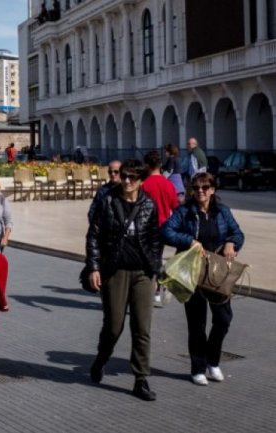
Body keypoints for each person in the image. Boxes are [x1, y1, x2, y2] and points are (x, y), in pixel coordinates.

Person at [85, 159, 161, 401]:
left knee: (142, 327)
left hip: (142, 273)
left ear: (141, 181)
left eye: (132, 178)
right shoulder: (108, 201)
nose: (126, 181)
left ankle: (141, 379)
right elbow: (94, 235)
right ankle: (101, 359)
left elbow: (154, 241)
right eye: (124, 176)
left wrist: (156, 270)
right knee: (114, 326)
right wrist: (94, 267)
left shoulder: (149, 204)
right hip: (115, 272)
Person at [161, 172, 244, 386]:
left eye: (205, 187)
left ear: (213, 190)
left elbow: (237, 233)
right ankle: (197, 367)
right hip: (193, 273)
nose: (200, 191)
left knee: (224, 319)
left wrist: (231, 243)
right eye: (196, 187)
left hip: (217, 273)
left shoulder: (222, 211)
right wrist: (188, 240)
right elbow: (166, 231)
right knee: (196, 323)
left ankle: (212, 360)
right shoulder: (184, 211)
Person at [142, 151, 179, 307]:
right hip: (163, 226)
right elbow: (175, 207)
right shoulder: (168, 184)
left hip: (147, 228)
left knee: (148, 257)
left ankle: (154, 287)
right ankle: (157, 287)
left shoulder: (144, 185)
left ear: (147, 165)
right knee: (157, 255)